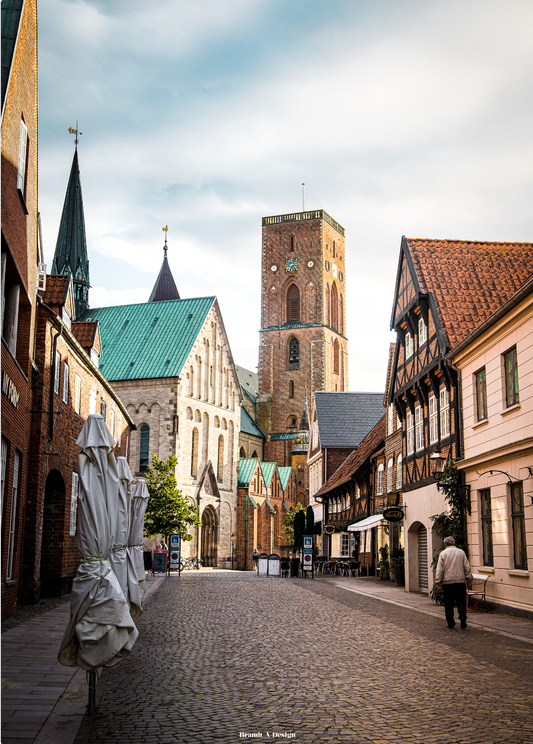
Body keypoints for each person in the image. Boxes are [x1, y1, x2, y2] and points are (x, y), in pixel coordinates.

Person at [435, 536, 473, 629]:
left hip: (448, 582)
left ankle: (450, 622)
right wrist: (469, 579)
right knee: (461, 601)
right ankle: (463, 617)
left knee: (448, 602)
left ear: (445, 544)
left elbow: (439, 570)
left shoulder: (443, 554)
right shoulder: (461, 552)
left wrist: (438, 582)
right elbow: (467, 567)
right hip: (460, 581)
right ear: (454, 543)